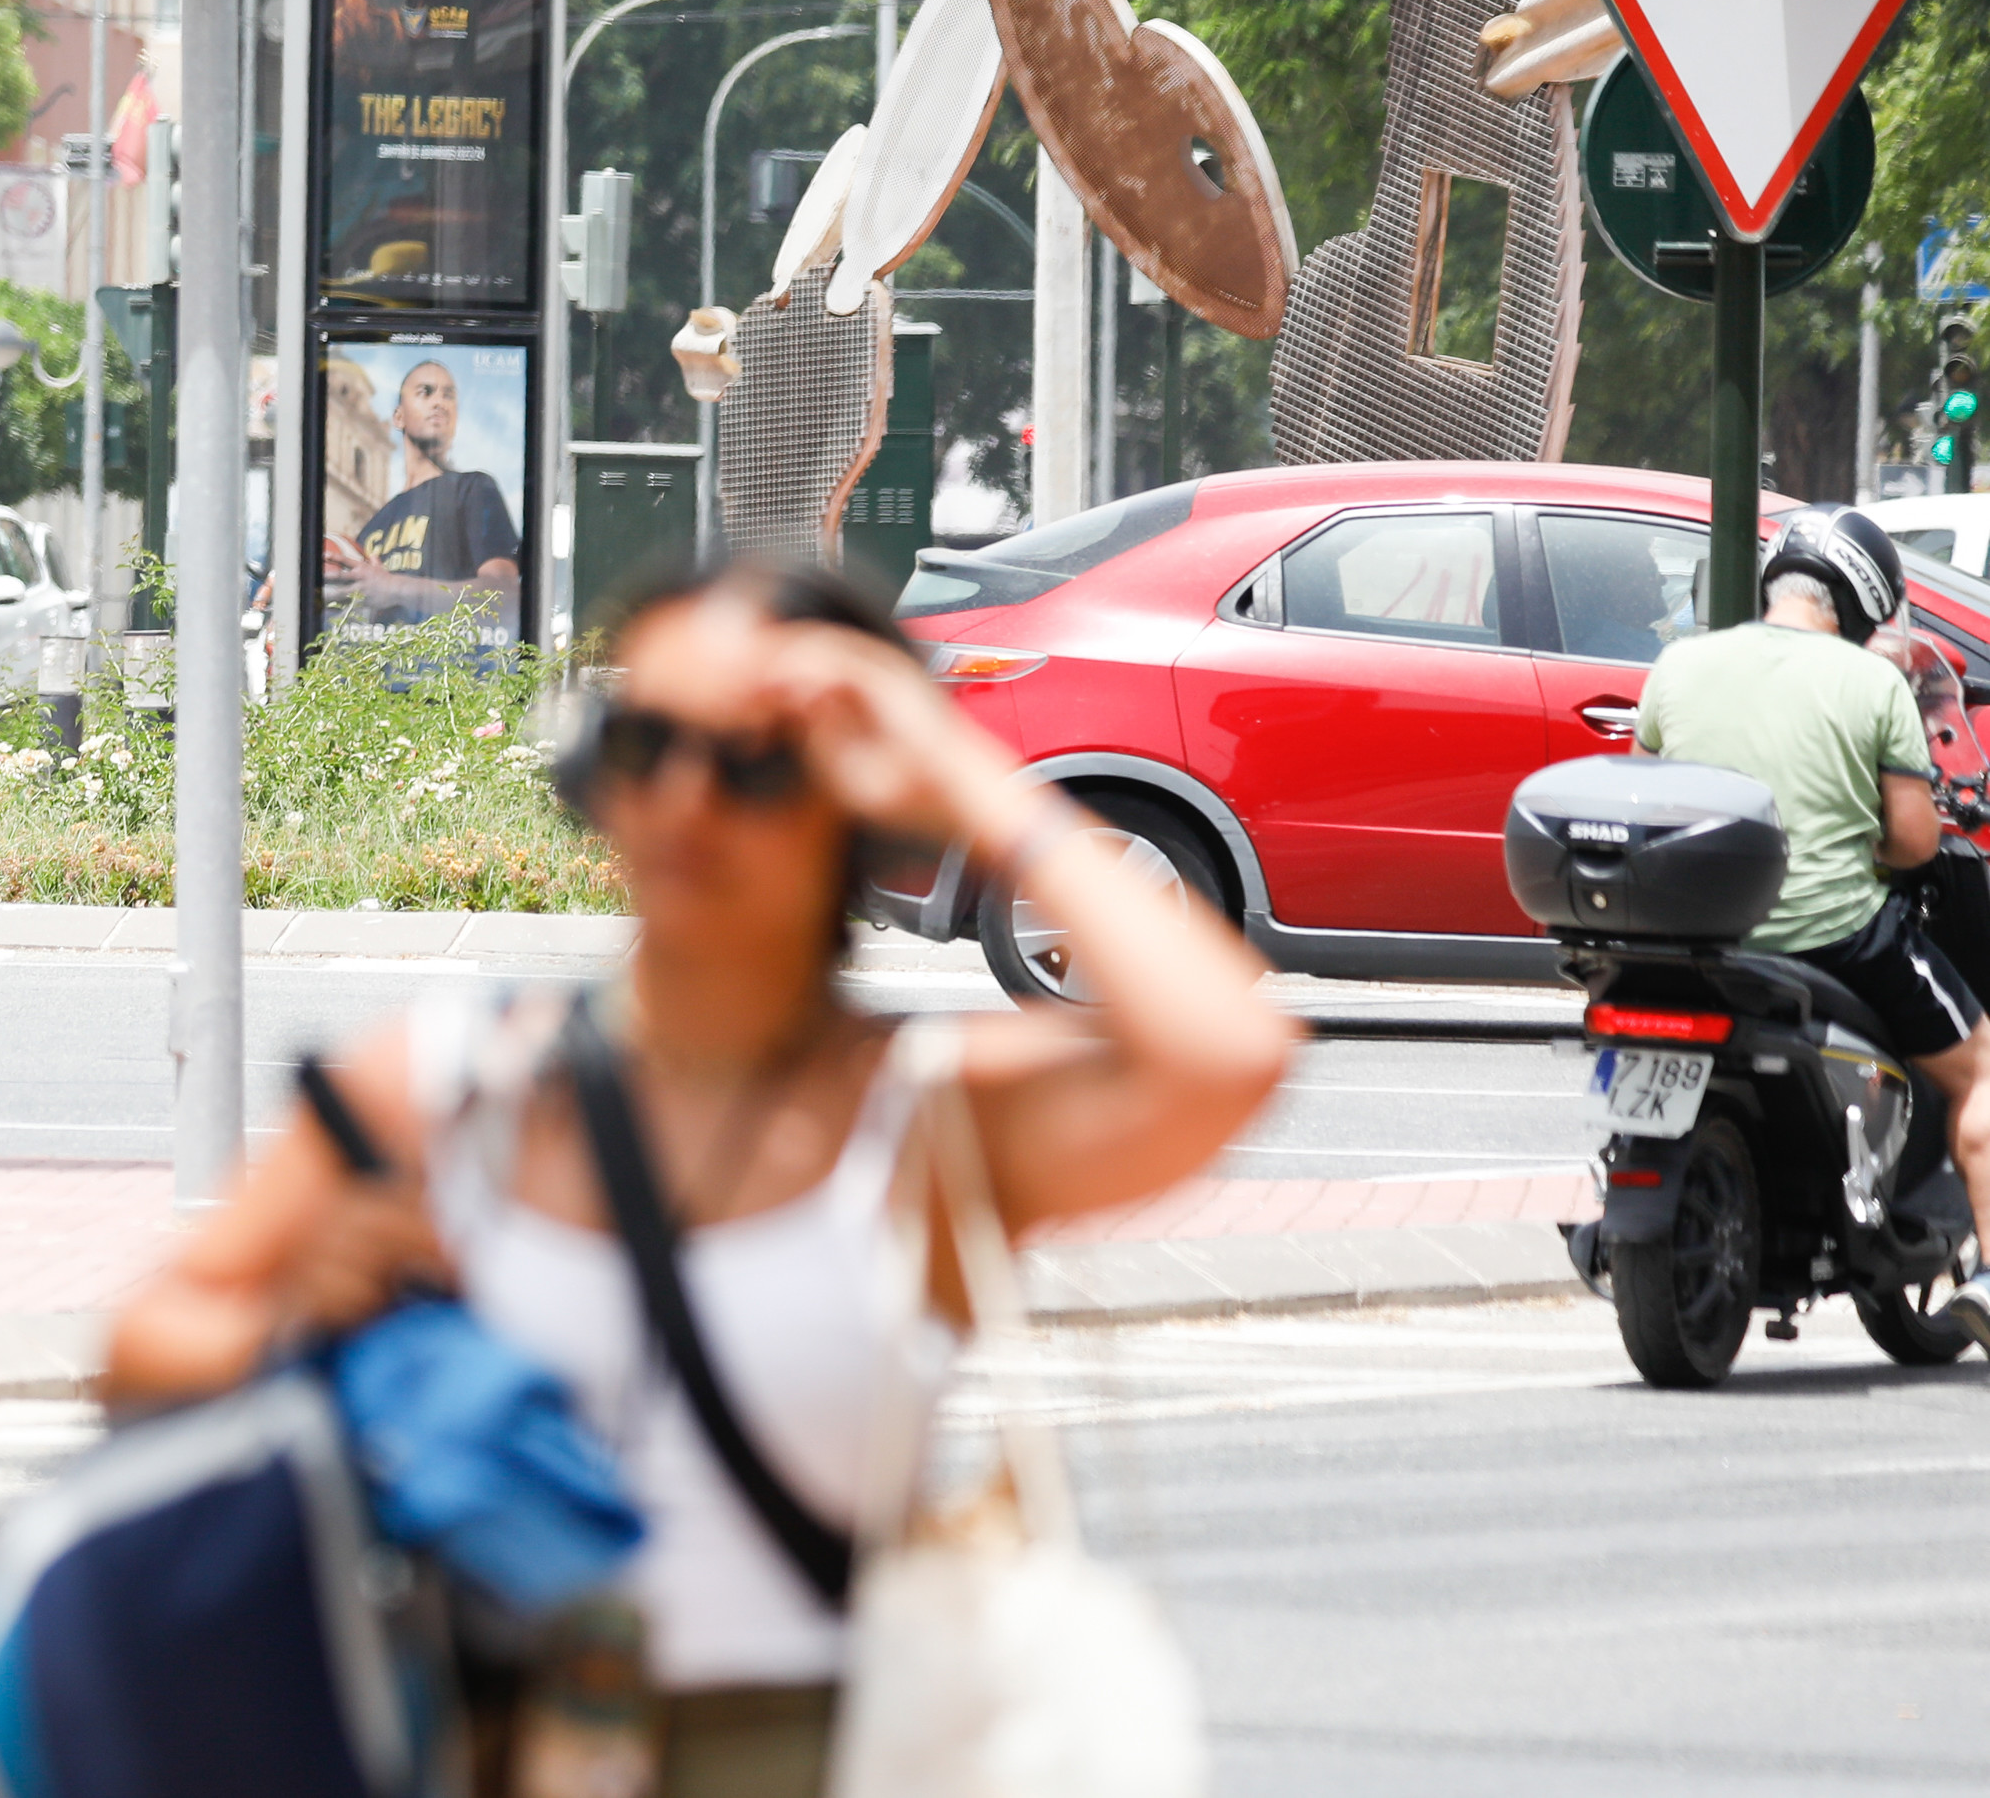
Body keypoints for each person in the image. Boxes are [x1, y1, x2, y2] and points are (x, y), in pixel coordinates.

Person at [107, 560, 1293, 1792]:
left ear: (852, 794)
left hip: (810, 1753)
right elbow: (145, 1346)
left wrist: (970, 780)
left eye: (755, 759)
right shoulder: (447, 1088)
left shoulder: (923, 1113)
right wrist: (296, 1316)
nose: (686, 795)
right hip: (479, 1739)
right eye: (647, 740)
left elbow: (1225, 1051)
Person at [1635, 506, 1990, 1344]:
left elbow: (1645, 793)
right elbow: (1913, 842)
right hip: (1835, 937)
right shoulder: (1872, 683)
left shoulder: (1679, 665)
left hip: (1698, 938)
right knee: (1981, 1069)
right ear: (1864, 603)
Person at [325, 357, 521, 631]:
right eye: (425, 392)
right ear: (398, 417)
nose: (439, 402)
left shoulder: (474, 488)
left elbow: (504, 594)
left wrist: (394, 587)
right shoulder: (372, 527)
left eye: (448, 395)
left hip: (448, 657)